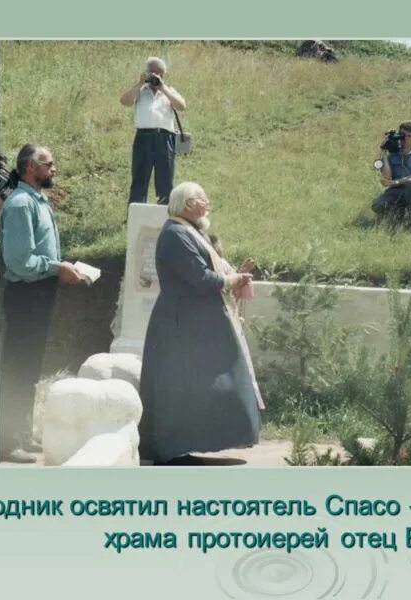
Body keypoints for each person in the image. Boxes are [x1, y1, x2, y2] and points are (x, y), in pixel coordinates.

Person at [139, 181, 262, 466]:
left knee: (196, 385)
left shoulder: (190, 232)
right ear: (187, 204)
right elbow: (200, 277)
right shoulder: (175, 235)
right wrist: (231, 281)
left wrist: (234, 275)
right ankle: (171, 450)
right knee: (178, 386)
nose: (207, 203)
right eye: (202, 199)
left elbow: (209, 269)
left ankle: (186, 444)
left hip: (193, 323)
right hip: (180, 325)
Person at [0, 144, 84, 463]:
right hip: (27, 295)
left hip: (39, 293)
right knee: (17, 366)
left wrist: (58, 267)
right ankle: (6, 441)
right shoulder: (21, 204)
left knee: (30, 365)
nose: (54, 169)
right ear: (31, 167)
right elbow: (20, 262)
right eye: (49, 164)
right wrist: (56, 267)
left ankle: (21, 432)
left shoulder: (37, 200)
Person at [120, 57, 186, 205]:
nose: (157, 77)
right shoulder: (140, 91)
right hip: (143, 138)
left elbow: (182, 106)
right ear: (146, 73)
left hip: (165, 139)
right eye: (153, 73)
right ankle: (135, 215)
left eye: (160, 74)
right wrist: (140, 83)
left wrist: (164, 88)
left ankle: (164, 215)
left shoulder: (169, 91)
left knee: (165, 180)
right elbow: (124, 101)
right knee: (139, 179)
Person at [371, 120, 411, 228]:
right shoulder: (393, 155)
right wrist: (384, 152)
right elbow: (387, 176)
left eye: (409, 136)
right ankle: (396, 217)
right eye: (403, 136)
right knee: (376, 205)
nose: (406, 139)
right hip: (396, 191)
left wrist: (395, 182)